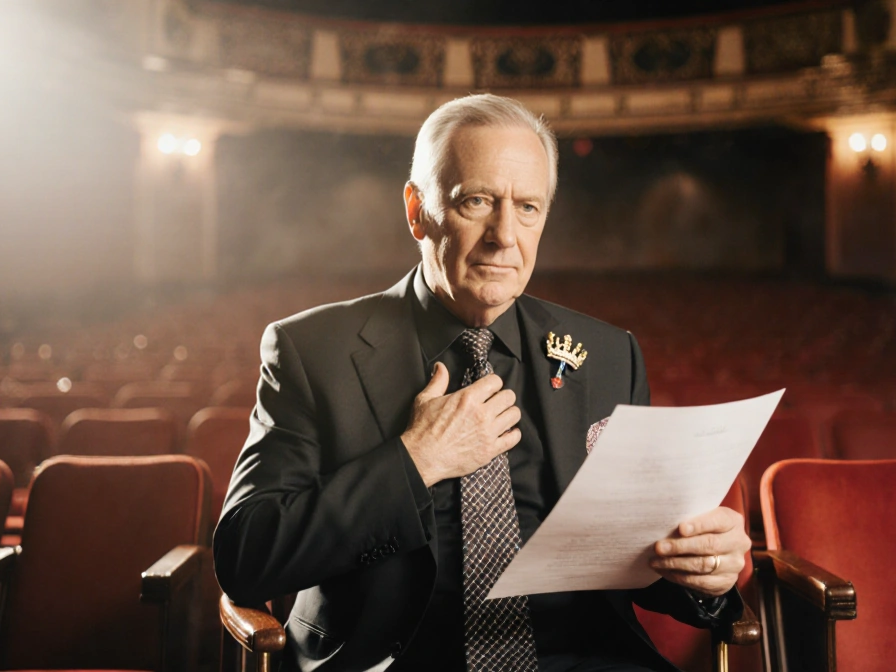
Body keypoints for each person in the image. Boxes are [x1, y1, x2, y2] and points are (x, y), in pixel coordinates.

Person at [214, 94, 752, 672]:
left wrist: (704, 573)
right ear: (416, 210)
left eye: (528, 207)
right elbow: (247, 556)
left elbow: (637, 562)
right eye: (477, 201)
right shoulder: (312, 350)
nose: (504, 235)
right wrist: (415, 461)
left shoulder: (608, 354)